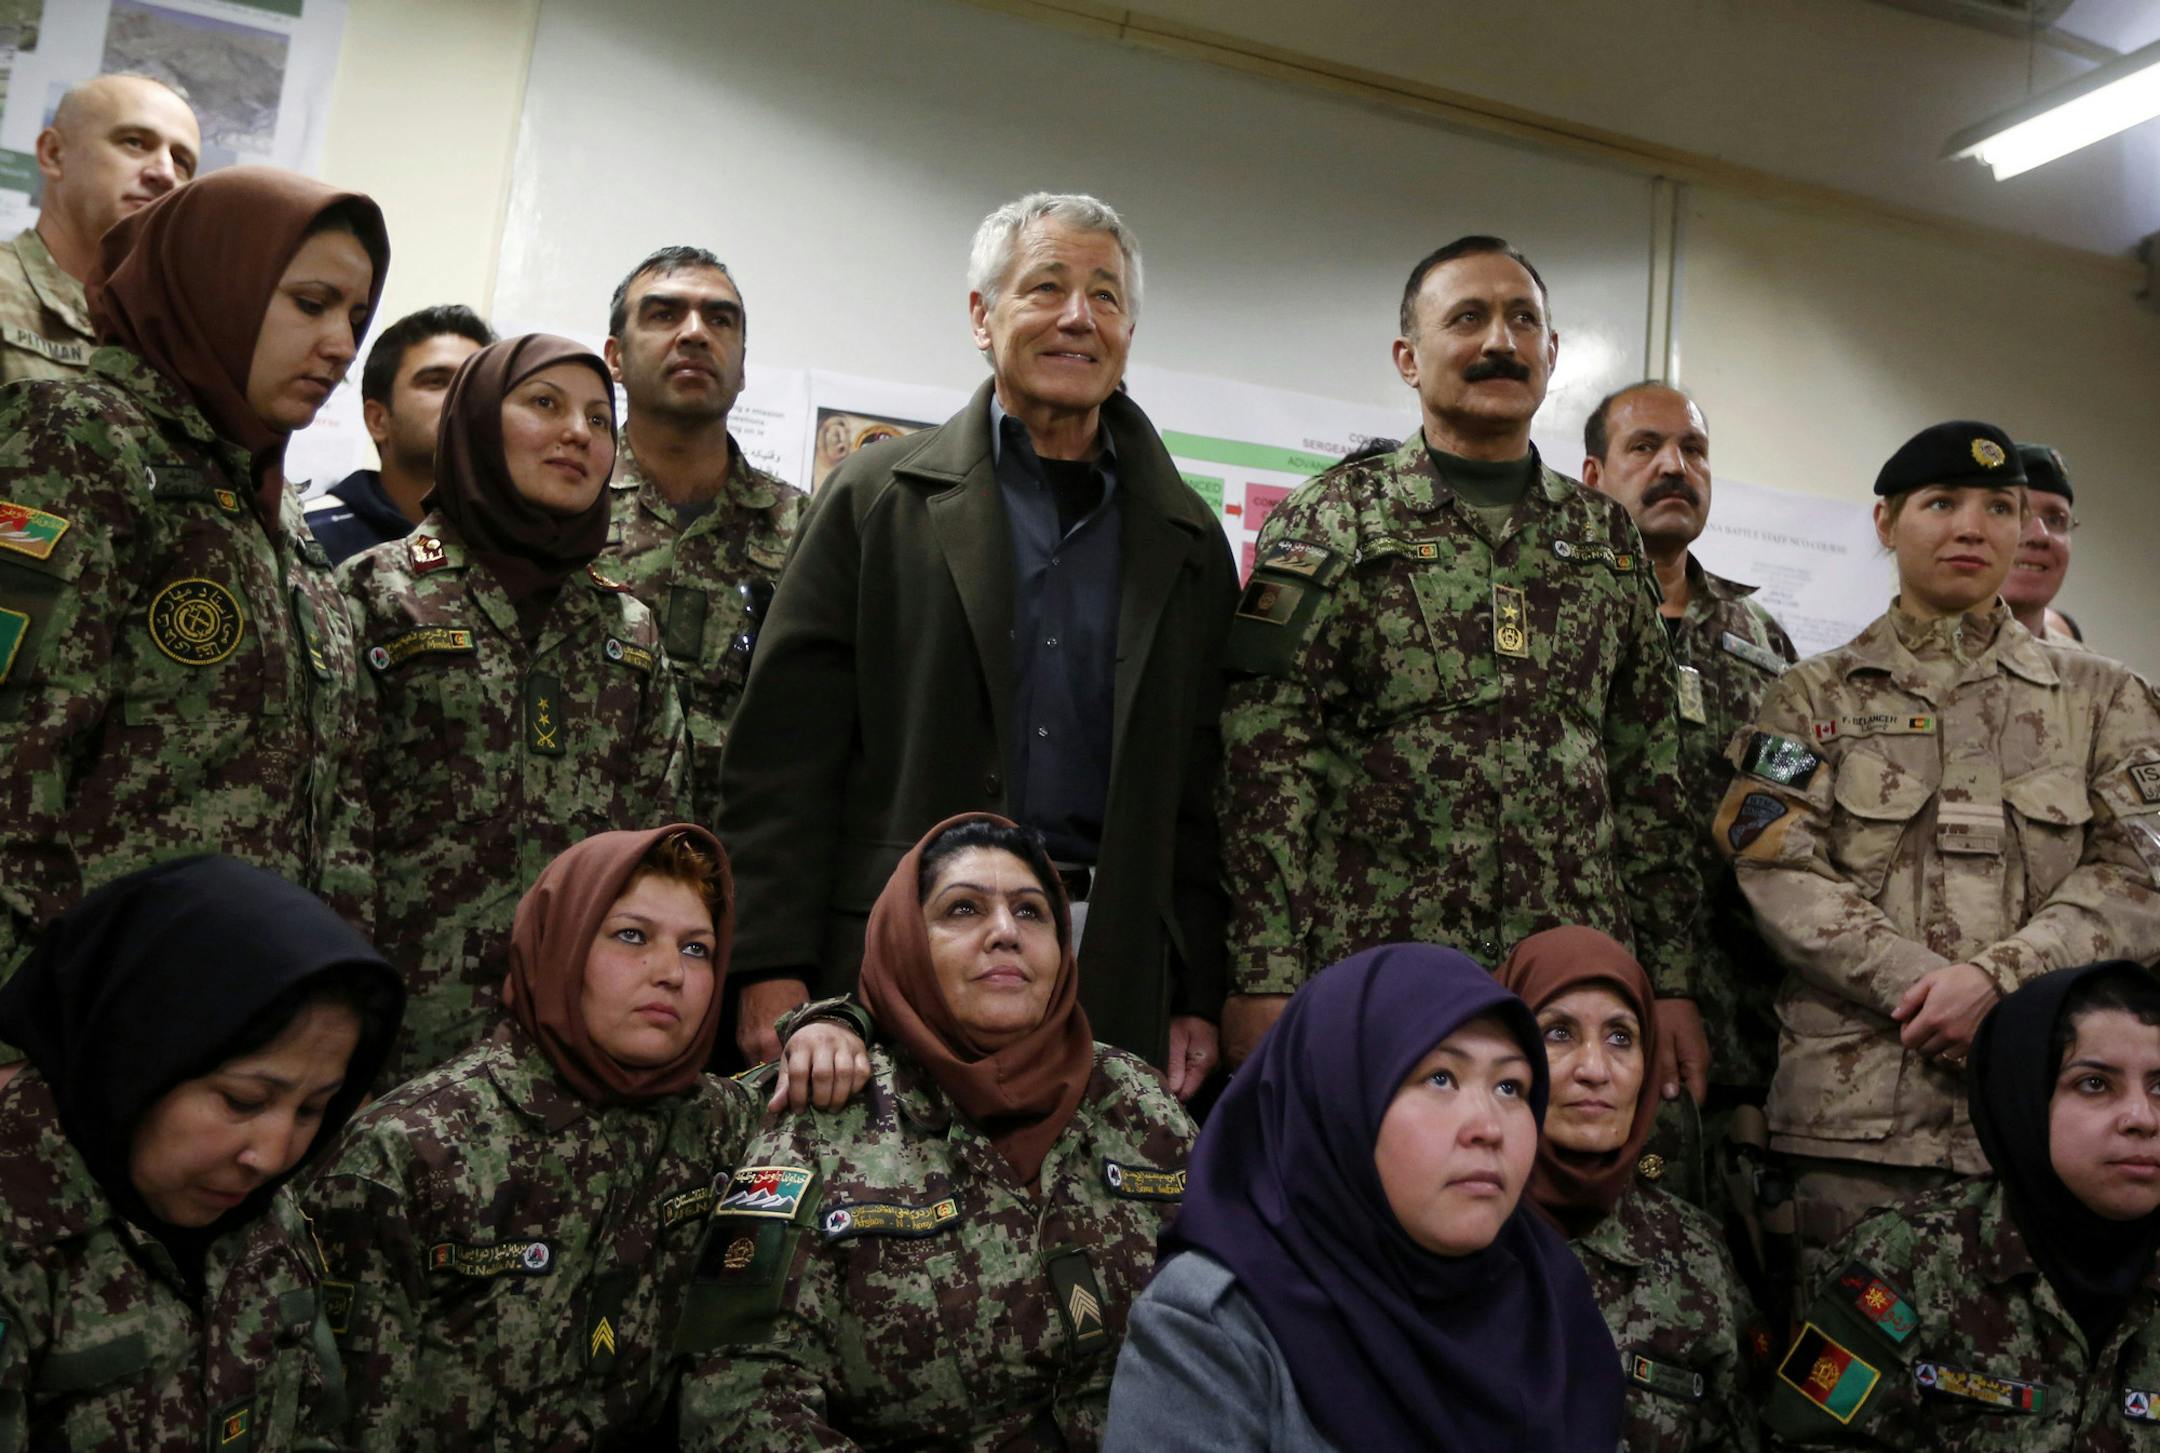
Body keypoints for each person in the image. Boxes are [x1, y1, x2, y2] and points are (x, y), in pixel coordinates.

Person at [718, 192, 1237, 1088]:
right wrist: (768, 962)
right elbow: (784, 755)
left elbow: (1201, 789)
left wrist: (1194, 984)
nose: (1079, 316)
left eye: (1107, 297)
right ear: (981, 316)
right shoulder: (878, 497)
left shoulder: (1185, 538)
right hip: (895, 951)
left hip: (1104, 964)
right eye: (1046, 286)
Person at [1217, 235, 1708, 1094]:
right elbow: (1266, 764)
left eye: (1524, 321)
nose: (1500, 343)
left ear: (1551, 354)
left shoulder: (1604, 537)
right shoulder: (1336, 516)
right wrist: (1262, 971)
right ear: (1409, 357)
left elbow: (1649, 781)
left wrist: (1669, 980)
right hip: (1379, 965)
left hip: (1568, 978)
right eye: (1468, 319)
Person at [1714, 419, 2160, 1287]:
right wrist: (1923, 987)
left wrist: (1999, 984)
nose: (1973, 527)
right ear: (1886, 522)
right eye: (1942, 503)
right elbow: (1774, 863)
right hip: (1858, 1125)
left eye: (2001, 507)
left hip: (2052, 1125)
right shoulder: (1810, 695)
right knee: (1845, 1395)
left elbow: (2143, 870)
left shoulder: (2107, 699)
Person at [305, 823, 870, 1450]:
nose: (670, 974)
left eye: (696, 949)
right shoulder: (409, 1149)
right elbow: (342, 1427)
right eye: (632, 937)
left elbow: (844, 1086)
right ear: (561, 944)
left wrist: (835, 1022)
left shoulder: (722, 1121)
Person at [0, 167, 387, 1077]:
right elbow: (14, 750)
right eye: (310, 303)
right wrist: (16, 1015)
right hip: (82, 1034)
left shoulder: (269, 503)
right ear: (217, 283)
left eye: (356, 320)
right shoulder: (79, 439)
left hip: (245, 1031)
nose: (338, 344)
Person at [679, 812, 1197, 1449]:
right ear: (906, 945)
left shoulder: (1139, 1099)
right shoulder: (828, 1113)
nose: (1005, 933)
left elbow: (1239, 1320)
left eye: (1032, 912)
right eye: (963, 910)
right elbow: (736, 1393)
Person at [1102, 942, 1623, 1451]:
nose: (1489, 1127)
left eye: (1511, 1087)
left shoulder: (1548, 1300)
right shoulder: (1217, 1323)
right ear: (1340, 1103)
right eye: (1440, 1078)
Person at [343, 332, 691, 1087]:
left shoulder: (627, 628)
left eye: (601, 420)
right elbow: (330, 828)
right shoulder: (377, 593)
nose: (579, 433)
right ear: (473, 422)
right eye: (545, 403)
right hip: (390, 1033)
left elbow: (660, 846)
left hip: (573, 1044)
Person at [0, 855, 404, 1450]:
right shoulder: (22, 1235)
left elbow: (311, 1420)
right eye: (242, 1100)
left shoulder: (262, 1214)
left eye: (313, 1109)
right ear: (132, 1058)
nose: (271, 1156)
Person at [1767, 960, 2160, 1449]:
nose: (2142, 1118)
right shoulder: (1901, 1260)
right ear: (2024, 1101)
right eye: (2095, 1084)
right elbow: (1812, 1438)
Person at [1499, 926, 1763, 1452]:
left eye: (1621, 1037)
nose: (1595, 1070)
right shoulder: (1454, 1229)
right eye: (1558, 1034)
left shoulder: (1694, 1251)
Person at [601, 246, 803, 812]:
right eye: (664, 314)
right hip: (583, 861)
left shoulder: (804, 526)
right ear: (614, 358)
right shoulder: (564, 510)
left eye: (719, 319)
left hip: (746, 864)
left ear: (741, 367)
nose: (695, 333)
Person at [1, 73, 199, 383]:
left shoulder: (178, 339)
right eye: (134, 142)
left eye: (181, 162)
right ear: (53, 153)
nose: (164, 174)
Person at [305, 303, 494, 565]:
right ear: (378, 420)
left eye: (478, 384)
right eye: (437, 381)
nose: (463, 397)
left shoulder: (513, 545)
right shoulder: (308, 535)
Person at [2003, 442, 2083, 650]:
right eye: (2018, 514)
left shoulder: (2099, 678)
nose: (2040, 535)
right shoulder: (1914, 661)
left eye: (2056, 520)